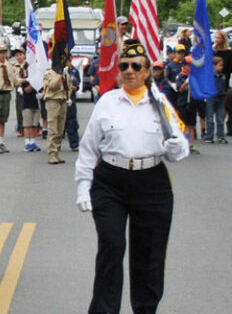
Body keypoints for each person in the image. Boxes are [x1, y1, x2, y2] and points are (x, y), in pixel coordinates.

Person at [75, 39, 189, 314]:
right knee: (111, 246)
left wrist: (176, 147)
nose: (129, 70)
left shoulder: (160, 103)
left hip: (151, 182)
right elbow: (89, 149)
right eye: (124, 65)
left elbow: (179, 148)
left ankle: (146, 308)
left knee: (149, 254)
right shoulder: (107, 102)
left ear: (147, 71)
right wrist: (82, 187)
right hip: (110, 181)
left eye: (136, 66)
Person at [43, 62, 71, 164]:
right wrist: (59, 75)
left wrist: (68, 96)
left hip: (63, 100)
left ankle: (57, 152)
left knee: (60, 128)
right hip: (53, 100)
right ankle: (52, 153)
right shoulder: (49, 73)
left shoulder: (65, 73)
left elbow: (69, 86)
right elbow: (52, 86)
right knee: (53, 128)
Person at [16, 46, 41, 152]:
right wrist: (33, 84)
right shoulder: (26, 79)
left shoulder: (37, 78)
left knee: (35, 124)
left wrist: (41, 91)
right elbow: (27, 90)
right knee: (28, 124)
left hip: (36, 104)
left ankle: (33, 142)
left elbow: (42, 88)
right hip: (27, 104)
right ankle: (27, 142)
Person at [204, 55, 227, 144]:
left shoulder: (222, 76)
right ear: (213, 65)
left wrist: (223, 93)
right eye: (220, 65)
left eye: (222, 65)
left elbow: (223, 86)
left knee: (220, 118)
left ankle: (221, 136)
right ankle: (209, 136)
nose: (221, 67)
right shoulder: (209, 76)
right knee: (209, 117)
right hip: (211, 97)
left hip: (220, 97)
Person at [64, 64, 81, 150]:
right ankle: (55, 146)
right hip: (57, 99)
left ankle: (74, 144)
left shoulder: (73, 71)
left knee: (71, 123)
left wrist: (66, 86)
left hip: (69, 100)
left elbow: (75, 86)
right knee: (56, 125)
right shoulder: (55, 70)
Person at [12, 47, 26, 136]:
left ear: (24, 55)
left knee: (31, 108)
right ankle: (21, 128)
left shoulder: (28, 65)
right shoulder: (14, 67)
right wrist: (19, 82)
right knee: (19, 108)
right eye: (17, 55)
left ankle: (35, 127)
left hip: (28, 87)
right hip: (19, 88)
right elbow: (13, 78)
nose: (19, 57)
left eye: (20, 55)